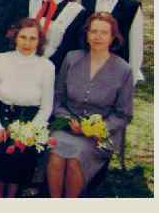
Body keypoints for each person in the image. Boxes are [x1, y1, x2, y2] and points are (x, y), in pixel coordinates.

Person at [47, 13, 133, 198]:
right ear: (86, 35)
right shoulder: (71, 58)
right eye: (93, 31)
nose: (97, 37)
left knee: (75, 159)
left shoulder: (123, 69)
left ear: (113, 37)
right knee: (56, 155)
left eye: (104, 33)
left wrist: (96, 129)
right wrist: (67, 120)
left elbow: (124, 114)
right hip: (67, 127)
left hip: (99, 136)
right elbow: (58, 97)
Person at [0, 18, 54, 198]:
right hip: (1, 117)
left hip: (29, 122)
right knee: (0, 151)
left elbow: (46, 107)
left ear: (39, 41)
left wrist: (29, 132)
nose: (27, 43)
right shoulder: (1, 60)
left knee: (19, 155)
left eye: (33, 38)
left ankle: (12, 198)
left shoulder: (46, 66)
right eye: (23, 37)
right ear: (15, 37)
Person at [81, 0, 144, 85]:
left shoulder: (131, 7)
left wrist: (129, 83)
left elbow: (135, 50)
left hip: (115, 74)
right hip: (87, 69)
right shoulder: (88, 0)